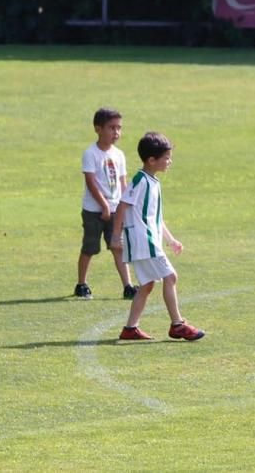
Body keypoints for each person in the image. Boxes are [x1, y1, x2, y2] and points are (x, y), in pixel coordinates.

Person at [110, 132, 205, 341]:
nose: (170, 162)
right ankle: (177, 324)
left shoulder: (154, 183)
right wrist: (116, 236)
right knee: (170, 277)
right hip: (144, 241)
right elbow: (122, 205)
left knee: (147, 284)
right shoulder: (140, 180)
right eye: (166, 158)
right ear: (151, 160)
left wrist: (171, 240)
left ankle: (130, 329)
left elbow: (156, 217)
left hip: (150, 240)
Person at [76, 108, 135, 300]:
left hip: (115, 210)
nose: (116, 132)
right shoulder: (91, 154)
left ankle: (127, 285)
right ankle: (82, 283)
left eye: (119, 128)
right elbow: (91, 182)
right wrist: (103, 205)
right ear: (98, 129)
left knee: (118, 246)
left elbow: (122, 182)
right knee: (90, 247)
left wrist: (125, 204)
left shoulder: (119, 155)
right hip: (95, 211)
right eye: (111, 128)